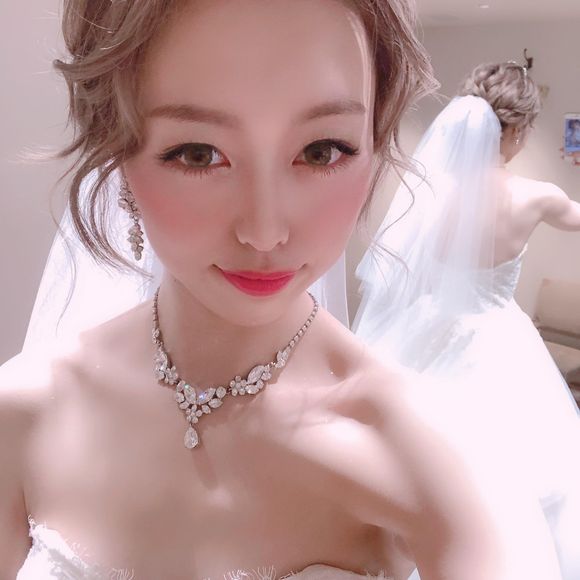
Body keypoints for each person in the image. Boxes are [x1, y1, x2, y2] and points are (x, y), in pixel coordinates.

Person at [0, 4, 562, 579]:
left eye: (322, 151)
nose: (265, 232)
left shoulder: (432, 461)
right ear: (117, 152)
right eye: (198, 153)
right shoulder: (22, 412)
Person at [354, 61, 580, 579]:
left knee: (416, 457)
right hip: (498, 337)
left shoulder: (432, 192)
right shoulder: (536, 196)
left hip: (427, 328)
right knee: (519, 470)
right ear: (518, 131)